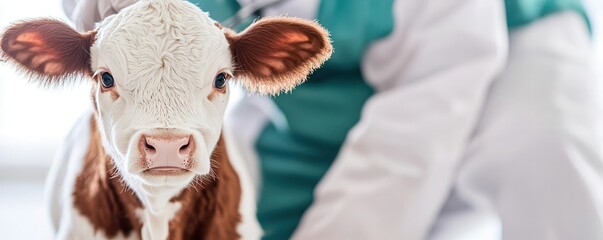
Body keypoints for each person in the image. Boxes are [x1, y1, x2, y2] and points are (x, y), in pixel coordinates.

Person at [63, 0, 603, 239]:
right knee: (241, 216)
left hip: (507, 37)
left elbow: (412, 134)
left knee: (542, 155)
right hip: (322, 77)